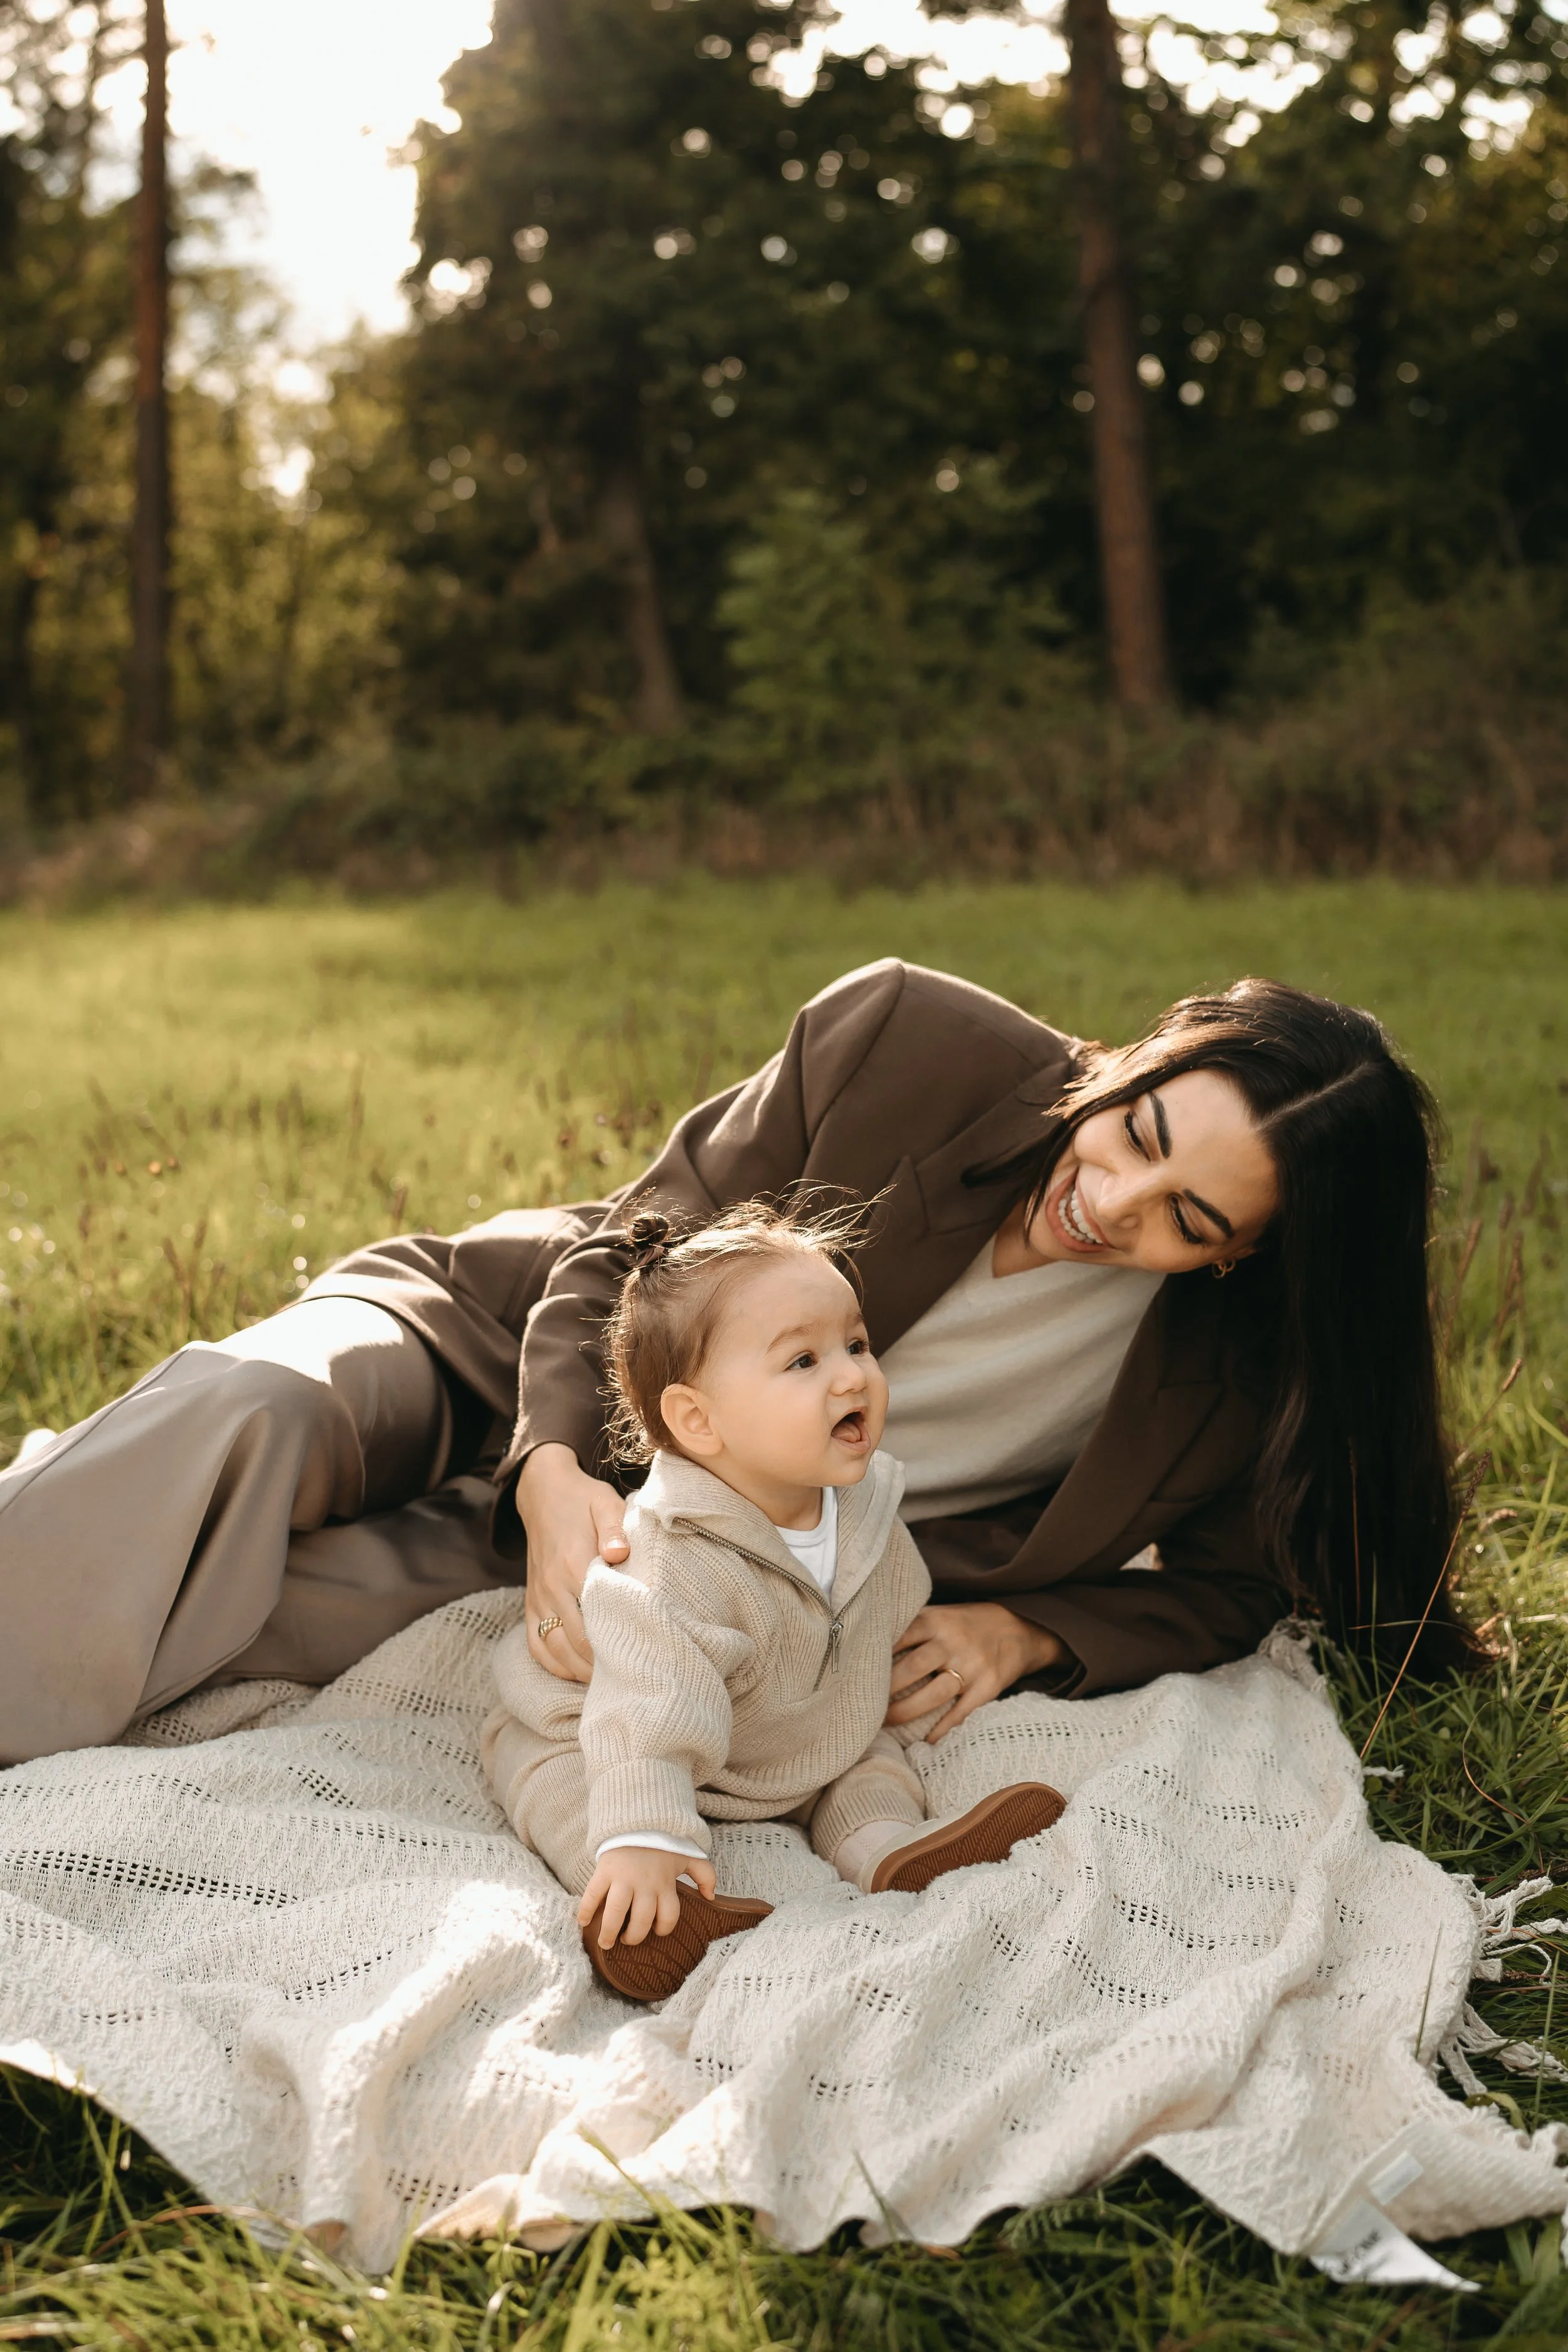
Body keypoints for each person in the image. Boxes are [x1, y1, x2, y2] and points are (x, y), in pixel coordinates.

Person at [0, 959, 1470, 1766]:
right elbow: (634, 1249)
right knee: (249, 1405)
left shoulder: (1232, 1383)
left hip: (665, 1551)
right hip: (500, 1342)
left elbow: (1231, 1587)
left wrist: (1029, 1634)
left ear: (1246, 1257)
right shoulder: (909, 1039)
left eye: (1186, 1219)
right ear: (1141, 1060)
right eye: (1135, 1132)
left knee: (273, 1607)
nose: (1111, 1202)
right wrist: (552, 1467)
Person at [482, 1200, 1064, 2002]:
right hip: (604, 1722)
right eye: (803, 1362)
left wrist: (877, 1698)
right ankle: (649, 1910)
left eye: (856, 1345)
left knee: (863, 1752)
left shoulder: (864, 1509)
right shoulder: (671, 1562)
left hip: (780, 1724)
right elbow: (647, 1708)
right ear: (698, 1419)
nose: (852, 1376)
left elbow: (870, 1630)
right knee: (579, 1794)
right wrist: (643, 1830)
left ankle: (885, 1848)